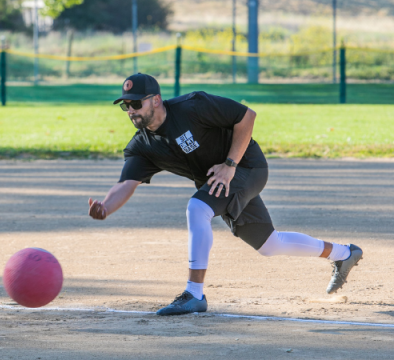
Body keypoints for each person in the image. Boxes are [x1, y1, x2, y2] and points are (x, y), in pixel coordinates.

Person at [88, 73, 363, 316]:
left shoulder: (193, 106)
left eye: (136, 103)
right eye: (126, 105)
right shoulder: (142, 146)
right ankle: (343, 253)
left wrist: (230, 165)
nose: (130, 110)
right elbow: (125, 184)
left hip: (246, 166)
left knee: (198, 208)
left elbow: (246, 116)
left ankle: (194, 294)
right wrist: (106, 207)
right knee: (269, 244)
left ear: (156, 100)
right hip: (220, 183)